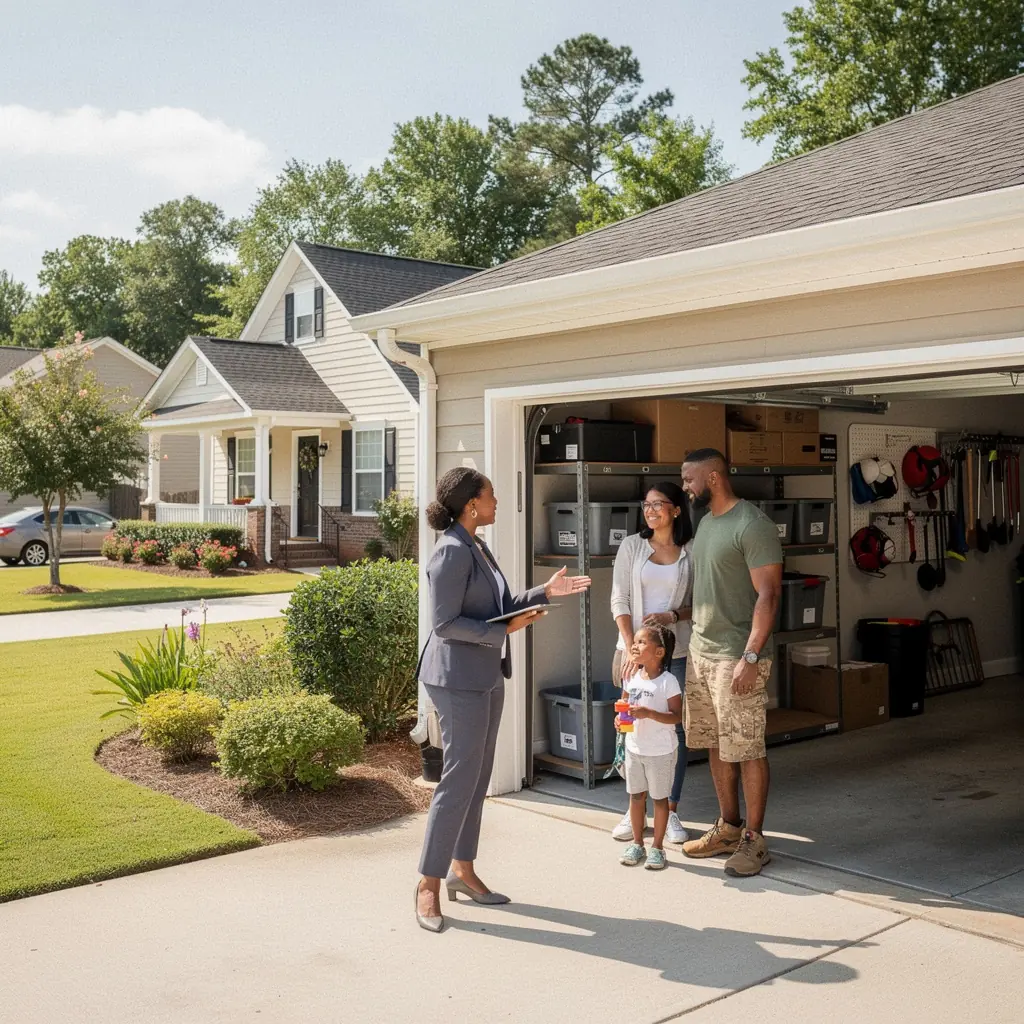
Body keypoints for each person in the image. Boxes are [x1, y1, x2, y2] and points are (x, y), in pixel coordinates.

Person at [414, 467, 592, 933]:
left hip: (487, 675)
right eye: (491, 494)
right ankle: (428, 884)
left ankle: (462, 868)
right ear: (471, 503)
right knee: (458, 780)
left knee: (477, 778)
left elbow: (500, 607)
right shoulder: (451, 551)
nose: (497, 500)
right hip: (456, 680)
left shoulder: (478, 546)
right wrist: (504, 631)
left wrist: (544, 593)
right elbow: (444, 624)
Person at [679, 449, 783, 877]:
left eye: (689, 479)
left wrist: (751, 656)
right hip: (702, 652)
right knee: (717, 743)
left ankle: (755, 841)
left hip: (738, 656)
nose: (685, 487)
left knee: (747, 747)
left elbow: (769, 595)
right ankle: (728, 828)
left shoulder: (752, 525)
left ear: (713, 477)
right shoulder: (706, 523)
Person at [609, 482, 693, 844]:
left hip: (677, 652)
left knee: (675, 730)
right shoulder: (632, 546)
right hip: (633, 651)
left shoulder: (690, 551)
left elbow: (700, 603)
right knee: (631, 726)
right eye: (646, 505)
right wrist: (632, 648)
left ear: (676, 509)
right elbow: (619, 599)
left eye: (659, 504)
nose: (651, 510)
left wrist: (672, 616)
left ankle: (669, 810)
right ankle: (635, 809)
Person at [616, 623, 683, 871]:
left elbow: (677, 716)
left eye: (642, 642)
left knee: (659, 799)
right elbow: (624, 706)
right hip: (635, 748)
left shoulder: (668, 682)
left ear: (659, 652)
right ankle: (637, 843)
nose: (635, 646)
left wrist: (649, 713)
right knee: (635, 796)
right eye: (634, 642)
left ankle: (657, 847)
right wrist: (619, 720)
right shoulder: (631, 678)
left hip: (660, 752)